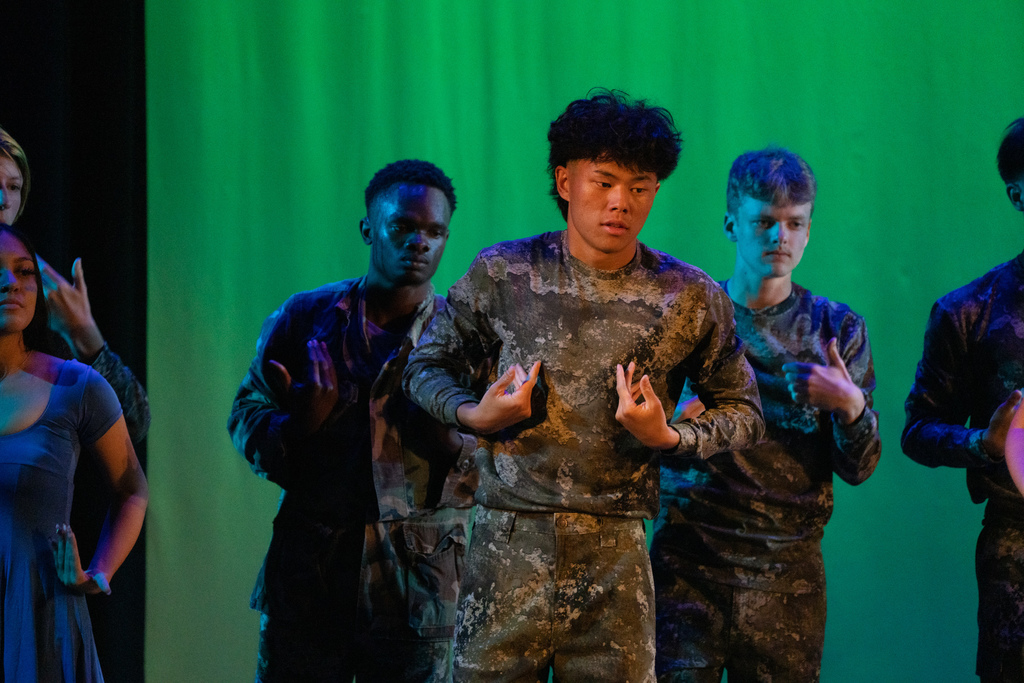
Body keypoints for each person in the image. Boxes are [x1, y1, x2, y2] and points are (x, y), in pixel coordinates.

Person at [403, 90, 765, 683]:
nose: (621, 202)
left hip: (615, 553)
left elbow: (744, 412)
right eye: (603, 182)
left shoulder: (689, 296)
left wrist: (669, 437)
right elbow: (424, 367)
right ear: (565, 180)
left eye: (640, 187)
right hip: (507, 542)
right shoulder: (503, 274)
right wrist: (474, 414)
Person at [227, 160, 476, 682]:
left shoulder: (464, 338)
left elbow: (505, 460)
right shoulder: (306, 318)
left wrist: (448, 441)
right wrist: (299, 424)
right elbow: (246, 415)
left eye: (435, 232)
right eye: (403, 227)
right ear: (369, 229)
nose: (419, 243)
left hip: (418, 588)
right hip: (313, 575)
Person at [651, 147, 881, 682]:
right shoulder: (688, 316)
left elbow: (859, 468)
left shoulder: (835, 330)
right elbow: (637, 436)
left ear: (808, 230)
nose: (780, 237)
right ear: (732, 224)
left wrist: (849, 407)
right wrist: (677, 418)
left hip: (787, 573)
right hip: (690, 563)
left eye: (794, 223)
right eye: (764, 221)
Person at [903, 117, 1024, 682]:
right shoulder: (970, 310)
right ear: (1016, 192)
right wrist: (984, 441)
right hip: (1015, 550)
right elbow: (918, 430)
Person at [0, 224, 148, 681]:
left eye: (23, 272)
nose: (11, 284)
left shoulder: (77, 386)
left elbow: (132, 489)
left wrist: (100, 570)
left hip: (41, 617)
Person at [0, 125, 149, 443]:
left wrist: (84, 334)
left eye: (13, 187)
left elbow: (134, 424)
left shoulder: (36, 289)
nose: (3, 200)